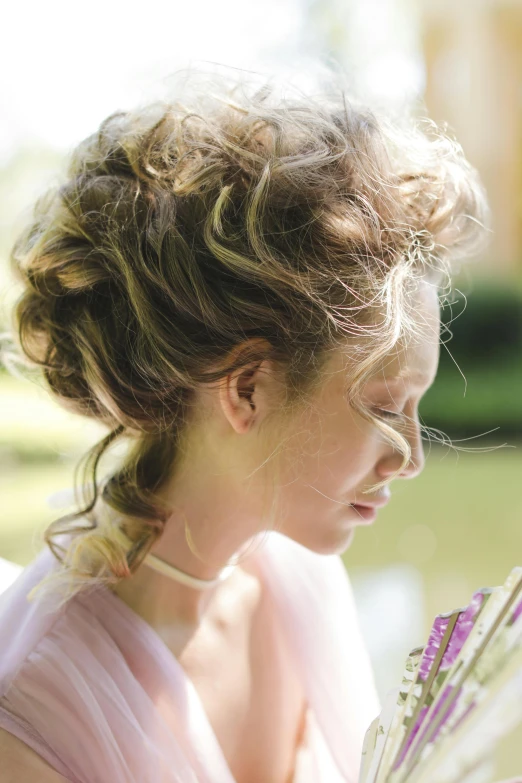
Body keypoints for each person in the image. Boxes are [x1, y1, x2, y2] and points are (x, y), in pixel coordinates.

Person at [0, 68, 487, 783]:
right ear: (248, 388)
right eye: (384, 406)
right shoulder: (36, 709)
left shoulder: (295, 571)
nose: (411, 456)